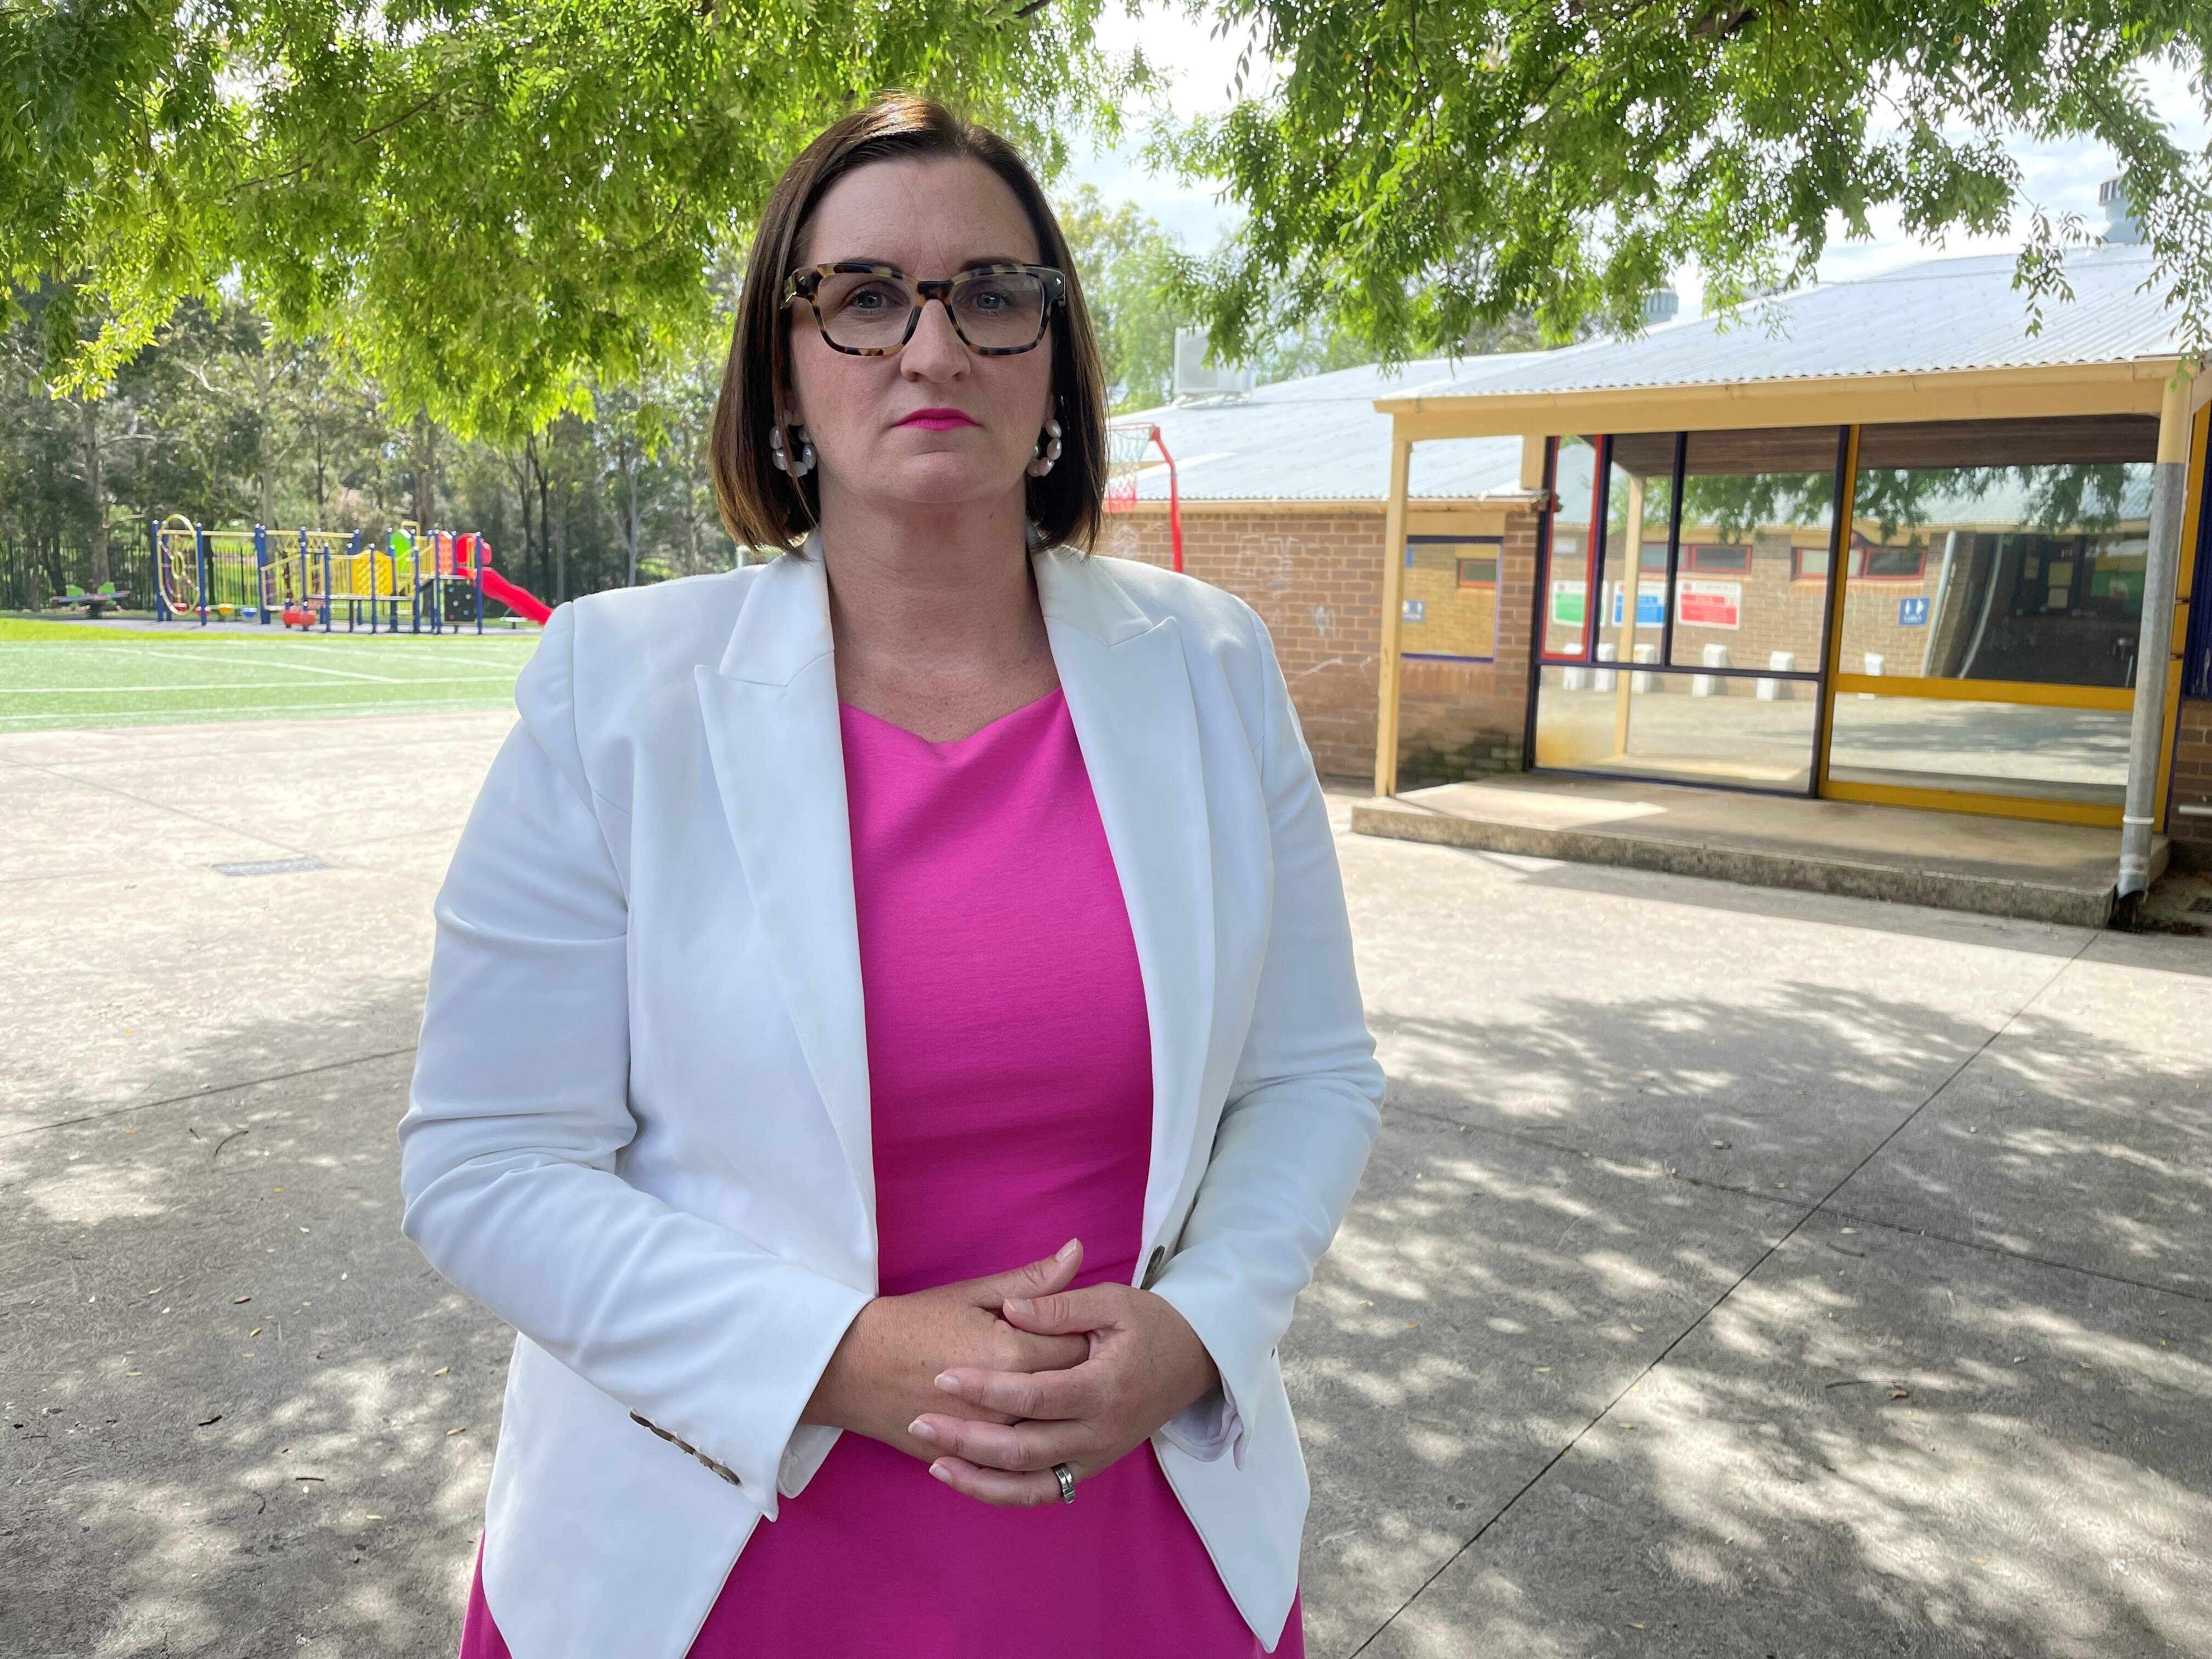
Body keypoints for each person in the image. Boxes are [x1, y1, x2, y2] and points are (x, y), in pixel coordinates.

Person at [398, 93, 1383, 1659]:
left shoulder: (1211, 668)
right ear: (782, 379)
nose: (933, 350)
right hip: (713, 1561)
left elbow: (1313, 1078)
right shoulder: (616, 691)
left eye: (993, 295)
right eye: (864, 298)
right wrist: (843, 1359)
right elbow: (487, 1167)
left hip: (1136, 1550)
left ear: (1054, 364)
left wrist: (1197, 1335)